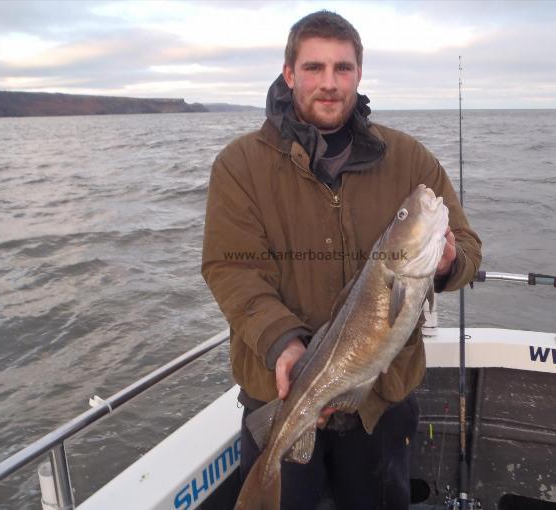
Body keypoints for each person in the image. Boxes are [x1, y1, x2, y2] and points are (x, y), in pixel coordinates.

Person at [202, 10, 481, 510]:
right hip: (282, 390)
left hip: (380, 401)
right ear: (289, 75)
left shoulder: (409, 159)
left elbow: (468, 248)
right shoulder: (239, 165)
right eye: (314, 68)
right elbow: (232, 268)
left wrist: (446, 262)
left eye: (343, 68)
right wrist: (282, 344)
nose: (329, 83)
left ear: (359, 72)